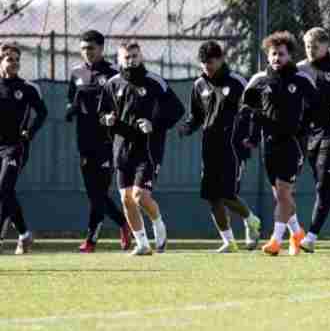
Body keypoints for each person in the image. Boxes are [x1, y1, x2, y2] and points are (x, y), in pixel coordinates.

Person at [97, 41, 185, 256]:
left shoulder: (154, 82)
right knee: (126, 198)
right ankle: (143, 244)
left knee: (140, 196)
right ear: (119, 59)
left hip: (148, 148)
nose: (131, 60)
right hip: (122, 149)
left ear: (141, 56)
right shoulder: (112, 84)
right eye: (126, 57)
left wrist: (154, 125)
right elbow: (102, 113)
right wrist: (106, 119)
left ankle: (158, 224)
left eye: (135, 56)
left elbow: (177, 110)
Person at [239, 31, 321, 257]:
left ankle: (275, 241)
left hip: (293, 144)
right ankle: (297, 234)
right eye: (273, 54)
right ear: (268, 56)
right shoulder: (259, 81)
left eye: (281, 54)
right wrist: (253, 137)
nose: (277, 58)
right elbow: (251, 111)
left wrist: (306, 129)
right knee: (282, 197)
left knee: (284, 193)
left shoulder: (301, 79)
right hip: (269, 145)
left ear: (289, 56)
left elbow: (317, 107)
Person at [178, 41, 261, 253]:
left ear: (221, 59)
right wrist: (188, 127)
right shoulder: (199, 85)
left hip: (233, 146)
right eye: (204, 64)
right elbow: (196, 116)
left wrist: (250, 137)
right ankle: (229, 241)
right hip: (209, 146)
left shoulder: (236, 82)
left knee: (226, 193)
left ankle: (251, 220)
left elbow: (254, 110)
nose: (208, 67)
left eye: (211, 62)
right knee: (212, 196)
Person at [66, 30, 131, 253]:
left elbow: (123, 104)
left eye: (91, 48)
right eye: (83, 48)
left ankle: (91, 241)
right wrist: (71, 110)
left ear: (101, 49)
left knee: (98, 193)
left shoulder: (114, 73)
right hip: (84, 141)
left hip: (108, 141)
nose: (87, 52)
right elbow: (72, 100)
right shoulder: (76, 73)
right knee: (94, 193)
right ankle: (124, 223)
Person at [297, 27, 330, 253]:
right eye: (308, 46)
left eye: (315, 46)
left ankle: (311, 236)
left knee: (323, 186)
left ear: (326, 46)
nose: (310, 50)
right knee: (326, 187)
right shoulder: (300, 69)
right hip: (310, 135)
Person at [0, 43, 47, 255]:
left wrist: (30, 130)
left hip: (15, 147)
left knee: (3, 188)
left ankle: (22, 235)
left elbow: (42, 113)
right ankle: (24, 234)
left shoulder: (28, 88)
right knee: (4, 192)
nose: (15, 63)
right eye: (10, 59)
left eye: (17, 59)